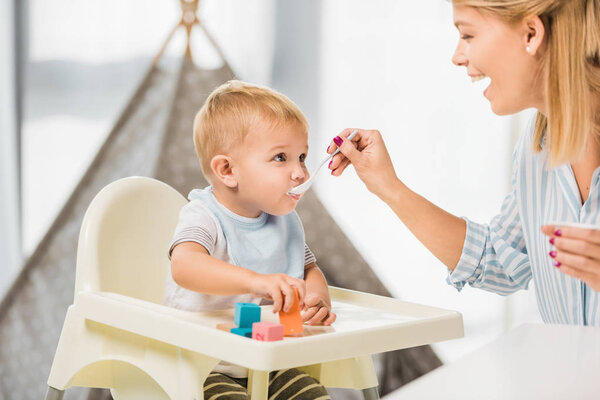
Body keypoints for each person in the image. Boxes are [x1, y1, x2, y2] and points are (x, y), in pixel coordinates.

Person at [327, 0, 600, 326]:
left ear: (531, 33)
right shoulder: (534, 150)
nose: (457, 56)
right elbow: (498, 260)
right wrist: (388, 187)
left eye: (468, 35)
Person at [165, 80, 335, 398]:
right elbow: (185, 266)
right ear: (228, 170)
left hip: (269, 364)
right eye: (281, 158)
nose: (300, 172)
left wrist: (317, 301)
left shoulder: (284, 222)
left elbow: (309, 269)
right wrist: (256, 281)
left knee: (313, 394)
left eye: (302, 156)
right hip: (203, 364)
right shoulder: (204, 216)